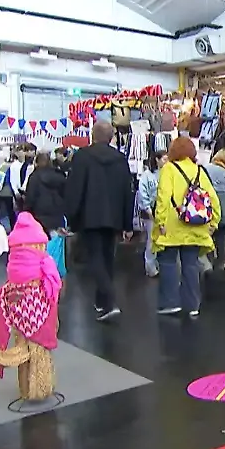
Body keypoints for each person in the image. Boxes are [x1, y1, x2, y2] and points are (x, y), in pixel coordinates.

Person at [64, 121, 134, 321]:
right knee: (107, 259)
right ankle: (101, 301)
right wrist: (128, 223)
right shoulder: (120, 159)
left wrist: (72, 217)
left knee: (95, 258)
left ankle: (109, 302)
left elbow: (75, 189)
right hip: (114, 217)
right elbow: (127, 192)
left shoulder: (82, 157)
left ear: (93, 136)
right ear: (111, 137)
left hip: (89, 215)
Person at [153, 137, 220, 318]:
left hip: (172, 226)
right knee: (191, 265)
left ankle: (170, 302)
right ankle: (192, 305)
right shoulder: (199, 171)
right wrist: (214, 222)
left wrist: (160, 222)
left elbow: (163, 198)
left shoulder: (169, 169)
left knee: (167, 262)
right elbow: (213, 199)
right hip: (195, 226)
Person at [135, 151, 166, 277]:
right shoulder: (147, 175)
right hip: (151, 212)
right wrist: (147, 208)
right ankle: (150, 267)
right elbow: (142, 193)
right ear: (157, 160)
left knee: (162, 240)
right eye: (164, 159)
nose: (166, 162)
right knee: (151, 240)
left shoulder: (167, 174)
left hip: (164, 212)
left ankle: (159, 264)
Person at [23, 152, 68, 237]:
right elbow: (66, 195)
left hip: (39, 215)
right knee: (56, 241)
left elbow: (31, 197)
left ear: (37, 163)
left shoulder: (34, 177)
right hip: (57, 214)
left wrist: (26, 211)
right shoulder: (60, 175)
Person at [207, 149, 225, 269]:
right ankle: (220, 263)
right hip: (222, 209)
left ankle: (208, 262)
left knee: (208, 236)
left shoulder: (206, 168)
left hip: (207, 208)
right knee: (221, 237)